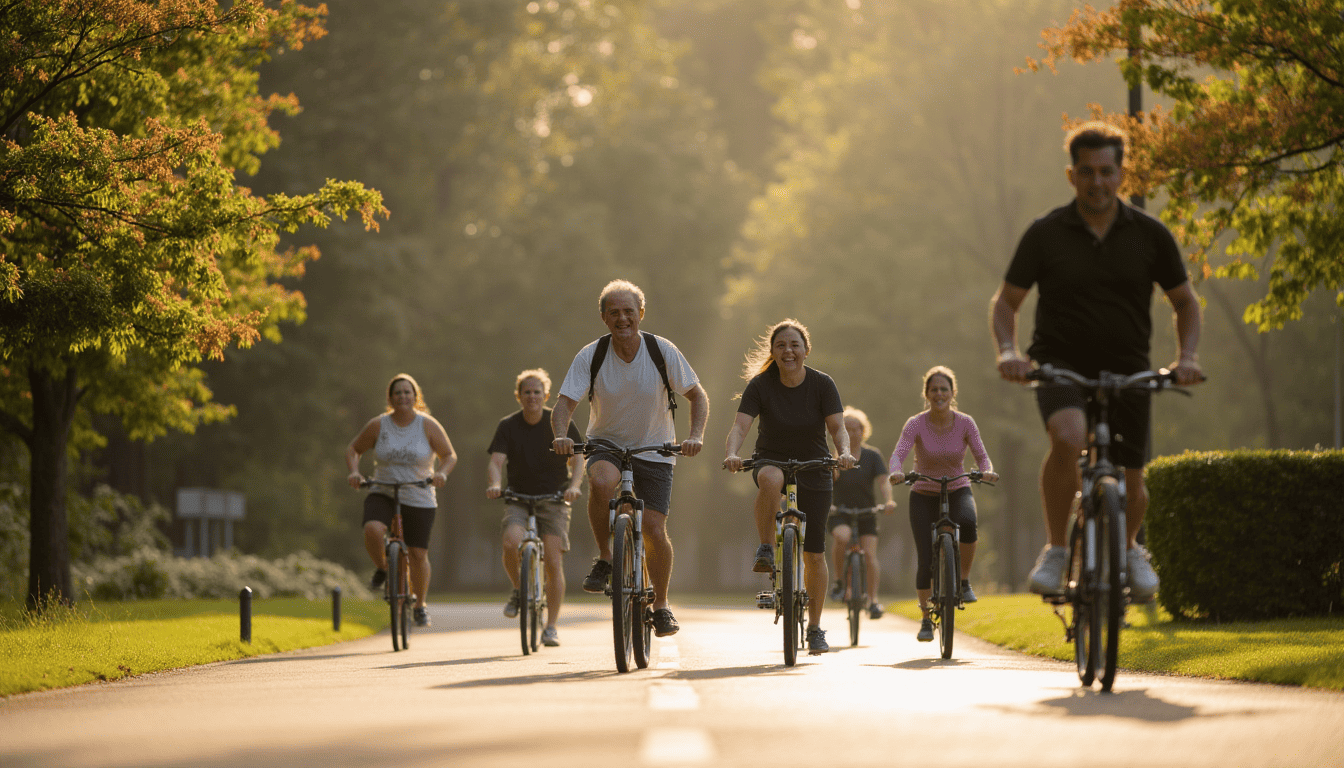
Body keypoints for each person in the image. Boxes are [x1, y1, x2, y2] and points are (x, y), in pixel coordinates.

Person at [990, 121, 1204, 601]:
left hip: (1130, 369)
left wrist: (1185, 357)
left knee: (1130, 473)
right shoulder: (1046, 233)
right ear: (1072, 176)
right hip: (1059, 363)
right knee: (1068, 437)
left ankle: (1129, 550)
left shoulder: (1150, 235)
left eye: (1107, 171)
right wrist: (1009, 352)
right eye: (1087, 172)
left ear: (1121, 174)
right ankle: (1057, 550)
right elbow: (1006, 303)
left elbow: (1186, 303)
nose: (1097, 182)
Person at [551, 279, 709, 638]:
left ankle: (662, 605)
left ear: (640, 313)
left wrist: (695, 436)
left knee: (653, 530)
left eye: (628, 311)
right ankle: (607, 556)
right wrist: (561, 436)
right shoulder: (590, 355)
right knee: (602, 481)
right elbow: (564, 405)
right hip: (606, 443)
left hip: (656, 449)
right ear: (604, 318)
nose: (622, 318)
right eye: (614, 312)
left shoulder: (661, 350)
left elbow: (697, 396)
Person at [723, 319, 857, 655]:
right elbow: (740, 426)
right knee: (770, 479)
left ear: (806, 350)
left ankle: (814, 628)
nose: (788, 351)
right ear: (773, 351)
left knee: (815, 554)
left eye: (794, 345)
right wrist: (732, 453)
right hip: (772, 458)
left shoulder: (822, 384)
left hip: (815, 463)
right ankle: (767, 548)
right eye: (781, 345)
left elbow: (838, 428)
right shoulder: (760, 385)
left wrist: (844, 453)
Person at [888, 366, 997, 642]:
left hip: (958, 487)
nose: (939, 394)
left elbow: (981, 455)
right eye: (934, 389)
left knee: (969, 525)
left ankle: (963, 581)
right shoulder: (916, 423)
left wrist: (987, 470)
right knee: (925, 559)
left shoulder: (965, 422)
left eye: (944, 389)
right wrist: (896, 471)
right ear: (926, 394)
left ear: (952, 393)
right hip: (923, 492)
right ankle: (925, 619)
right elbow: (899, 453)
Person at [346, 373, 458, 627]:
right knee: (373, 529)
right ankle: (384, 568)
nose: (403, 397)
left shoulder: (428, 425)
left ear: (415, 397)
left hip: (418, 493)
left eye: (408, 392)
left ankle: (419, 605)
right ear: (390, 397)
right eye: (398, 392)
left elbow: (449, 455)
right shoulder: (379, 425)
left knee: (418, 554)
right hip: (383, 489)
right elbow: (354, 449)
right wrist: (354, 471)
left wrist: (440, 473)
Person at [486, 369, 585, 647]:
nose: (532, 397)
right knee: (510, 542)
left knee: (553, 560)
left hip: (554, 498)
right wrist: (495, 483)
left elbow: (579, 457)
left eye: (536, 392)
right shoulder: (508, 425)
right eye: (526, 392)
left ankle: (551, 627)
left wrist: (575, 485)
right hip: (518, 496)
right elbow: (496, 461)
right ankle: (519, 590)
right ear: (519, 396)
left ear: (546, 395)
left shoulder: (560, 422)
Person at [827, 406, 896, 619]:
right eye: (846, 429)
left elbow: (884, 481)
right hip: (840, 512)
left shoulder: (872, 455)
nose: (851, 432)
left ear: (863, 430)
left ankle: (873, 600)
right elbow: (826, 484)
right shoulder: (834, 457)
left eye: (855, 428)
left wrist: (889, 500)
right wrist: (826, 502)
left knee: (869, 555)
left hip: (867, 512)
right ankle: (839, 582)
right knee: (842, 537)